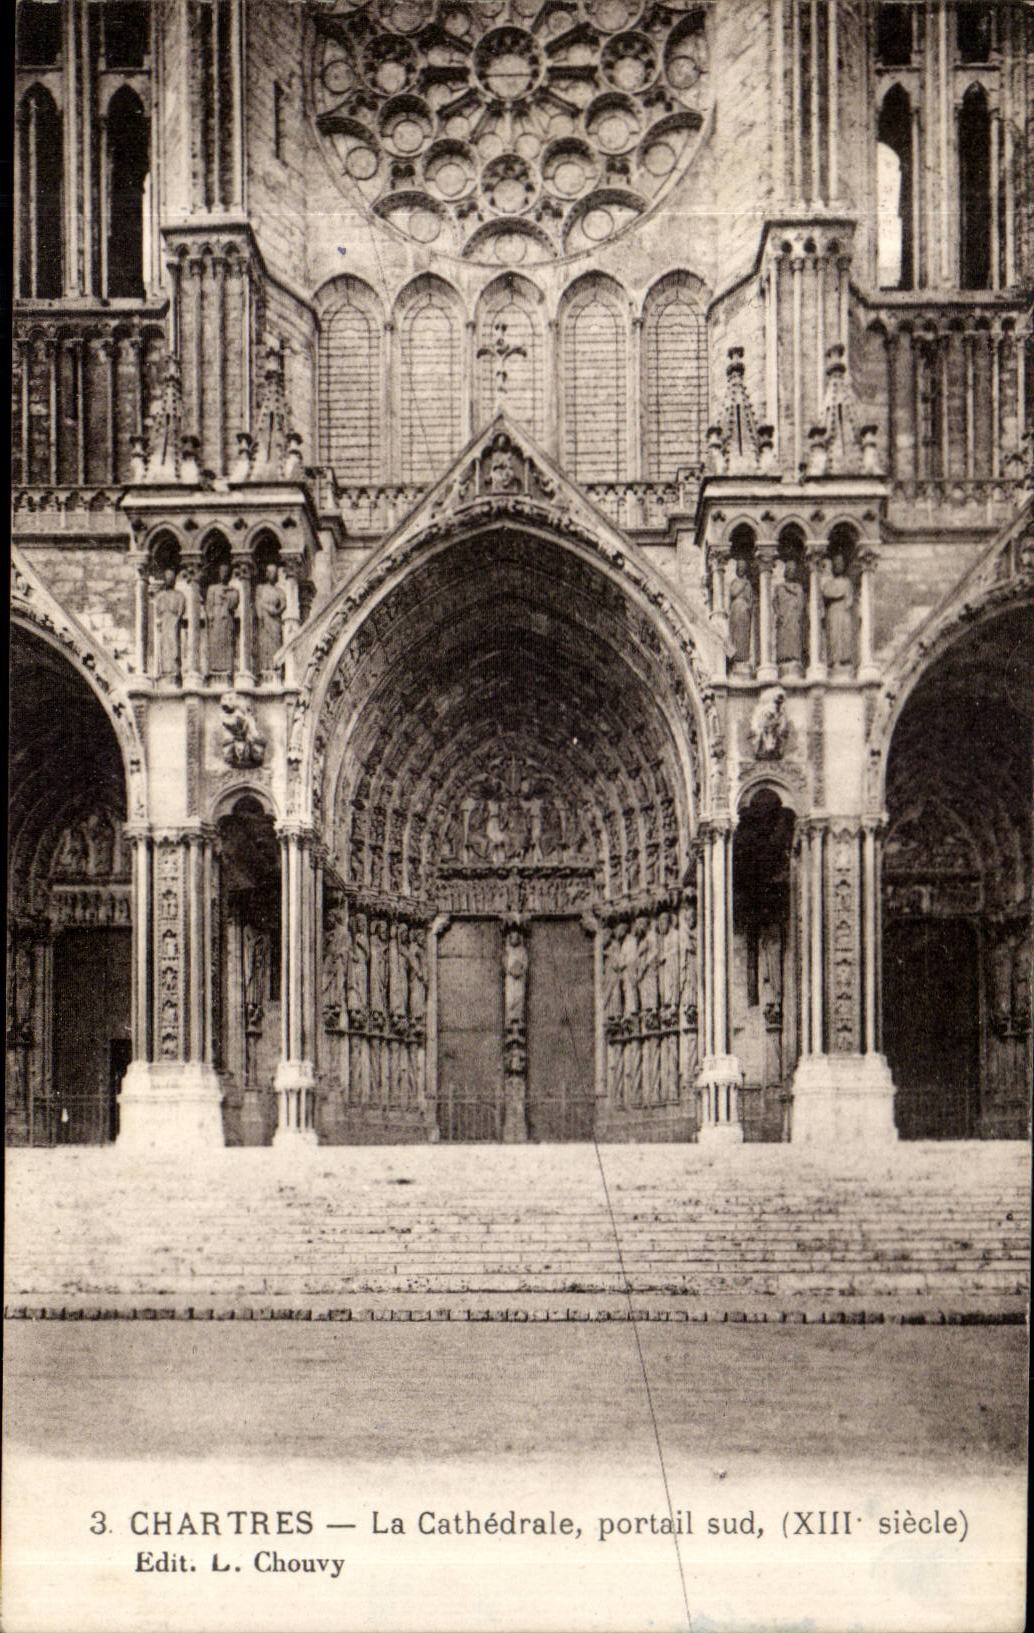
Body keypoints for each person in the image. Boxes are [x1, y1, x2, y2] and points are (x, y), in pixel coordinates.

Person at [821, 549, 855, 669]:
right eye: (836, 564)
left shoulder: (847, 582)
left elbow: (850, 599)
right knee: (834, 636)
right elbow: (827, 593)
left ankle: (844, 660)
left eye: (840, 563)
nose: (838, 566)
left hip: (844, 612)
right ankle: (835, 661)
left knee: (844, 635)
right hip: (833, 611)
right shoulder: (828, 583)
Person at [205, 562, 239, 675]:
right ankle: (214, 668)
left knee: (227, 641)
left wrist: (227, 597)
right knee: (215, 642)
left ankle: (227, 668)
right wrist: (210, 615)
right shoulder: (212, 588)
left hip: (226, 618)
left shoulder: (233, 590)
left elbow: (233, 604)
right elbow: (209, 604)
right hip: (216, 617)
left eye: (226, 572)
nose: (223, 574)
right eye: (221, 572)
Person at [154, 567, 185, 681]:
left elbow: (181, 610)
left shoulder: (180, 595)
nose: (169, 580)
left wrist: (176, 619)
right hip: (164, 622)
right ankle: (165, 671)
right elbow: (157, 610)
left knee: (174, 646)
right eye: (167, 577)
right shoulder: (160, 596)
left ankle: (175, 671)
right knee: (164, 646)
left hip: (174, 622)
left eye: (171, 577)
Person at [254, 562, 286, 673]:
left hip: (275, 621)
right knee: (264, 643)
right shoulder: (260, 588)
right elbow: (258, 602)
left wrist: (276, 612)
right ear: (267, 574)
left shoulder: (279, 591)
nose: (272, 574)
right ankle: (265, 668)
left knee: (275, 643)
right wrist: (262, 614)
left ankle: (275, 668)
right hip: (264, 619)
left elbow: (283, 604)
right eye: (270, 572)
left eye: (274, 572)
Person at [728, 557, 755, 666]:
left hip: (745, 611)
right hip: (736, 610)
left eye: (743, 568)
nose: (741, 570)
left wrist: (748, 606)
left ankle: (744, 656)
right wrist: (742, 585)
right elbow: (733, 593)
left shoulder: (748, 583)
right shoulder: (735, 582)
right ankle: (736, 655)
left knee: (744, 634)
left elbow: (750, 598)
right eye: (739, 567)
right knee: (736, 633)